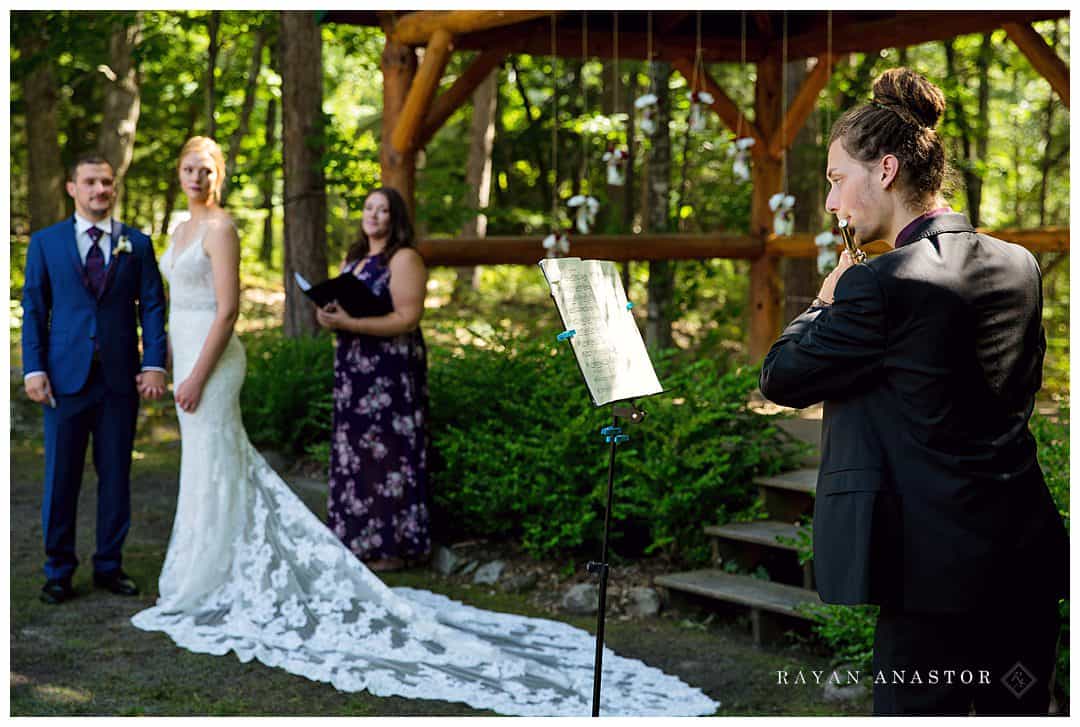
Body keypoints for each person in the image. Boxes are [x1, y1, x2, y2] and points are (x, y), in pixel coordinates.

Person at [131, 137, 717, 717]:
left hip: (345, 370)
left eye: (205, 168)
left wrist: (203, 369)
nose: (375, 217)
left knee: (248, 462)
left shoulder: (383, 255)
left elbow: (399, 317)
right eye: (187, 167)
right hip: (322, 367)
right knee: (221, 466)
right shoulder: (288, 245)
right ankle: (217, 560)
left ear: (219, 174)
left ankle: (273, 561)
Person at [759, 68, 1068, 715]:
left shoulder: (881, 285)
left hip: (931, 581)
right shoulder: (1020, 264)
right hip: (1025, 560)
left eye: (838, 180)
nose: (832, 204)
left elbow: (782, 376)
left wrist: (827, 292)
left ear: (887, 170)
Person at [21, 153, 168, 605]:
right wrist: (34, 367)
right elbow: (35, 309)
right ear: (72, 188)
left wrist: (154, 364)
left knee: (116, 475)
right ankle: (58, 570)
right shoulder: (46, 244)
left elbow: (153, 307)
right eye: (90, 182)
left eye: (107, 182)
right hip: (64, 379)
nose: (100, 190)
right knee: (60, 478)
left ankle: (109, 564)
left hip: (120, 380)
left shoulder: (137, 244)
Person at [315, 187, 429, 573]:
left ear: (395, 218)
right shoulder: (356, 257)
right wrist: (330, 315)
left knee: (388, 453)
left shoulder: (404, 258)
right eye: (368, 208)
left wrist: (352, 323)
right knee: (355, 452)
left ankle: (392, 547)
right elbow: (344, 305)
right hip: (354, 370)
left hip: (389, 372)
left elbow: (407, 318)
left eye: (383, 211)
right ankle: (355, 539)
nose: (374, 216)